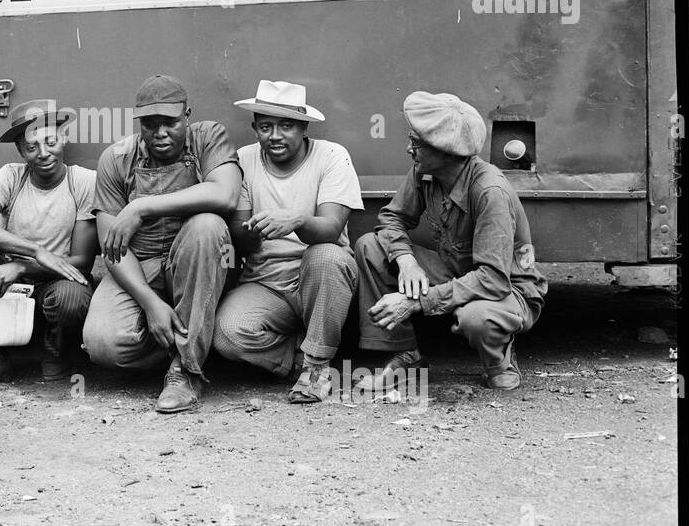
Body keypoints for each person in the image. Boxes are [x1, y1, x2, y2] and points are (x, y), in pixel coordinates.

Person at [354, 91, 547, 391]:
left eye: (416, 143)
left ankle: (499, 360)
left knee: (476, 317)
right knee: (370, 246)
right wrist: (406, 261)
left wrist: (415, 301)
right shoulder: (425, 171)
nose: (409, 149)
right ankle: (406, 354)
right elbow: (393, 219)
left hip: (504, 289)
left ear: (446, 151)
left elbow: (494, 280)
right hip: (457, 270)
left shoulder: (489, 191)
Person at [83, 74, 241, 413]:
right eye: (150, 125)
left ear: (187, 115)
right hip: (141, 264)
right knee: (102, 345)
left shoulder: (208, 137)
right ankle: (188, 342)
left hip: (200, 261)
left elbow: (225, 195)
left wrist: (140, 206)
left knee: (207, 226)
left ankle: (186, 371)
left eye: (169, 122)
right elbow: (114, 249)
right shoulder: (116, 158)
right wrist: (150, 304)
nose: (160, 133)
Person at [213, 80, 363, 403]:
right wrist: (249, 233)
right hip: (267, 285)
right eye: (265, 126)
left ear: (304, 127)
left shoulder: (332, 156)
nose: (275, 136)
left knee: (325, 256)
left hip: (321, 281)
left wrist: (296, 219)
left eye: (286, 126)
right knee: (226, 333)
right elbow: (240, 236)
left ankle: (317, 367)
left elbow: (332, 228)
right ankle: (300, 356)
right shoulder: (244, 159)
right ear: (254, 128)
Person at [0, 100, 97, 393]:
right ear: (20, 151)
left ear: (64, 137)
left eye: (50, 141)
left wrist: (22, 265)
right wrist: (34, 251)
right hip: (9, 286)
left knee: (73, 294)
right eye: (31, 147)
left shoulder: (83, 182)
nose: (43, 153)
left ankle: (56, 352)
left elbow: (81, 263)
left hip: (55, 280)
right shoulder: (12, 175)